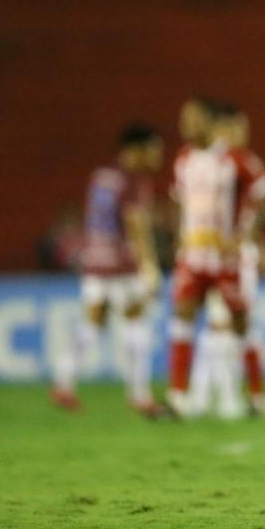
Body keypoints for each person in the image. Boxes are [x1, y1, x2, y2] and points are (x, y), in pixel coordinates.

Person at [165, 97, 265, 417]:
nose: (185, 125)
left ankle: (258, 397)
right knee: (182, 317)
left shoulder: (233, 159)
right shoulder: (183, 159)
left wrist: (246, 236)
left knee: (241, 326)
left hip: (226, 260)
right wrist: (178, 237)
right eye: (183, 119)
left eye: (192, 118)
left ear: (209, 122)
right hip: (193, 256)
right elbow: (176, 201)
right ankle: (177, 397)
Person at [51, 123, 163, 416]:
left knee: (92, 322)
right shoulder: (133, 180)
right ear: (135, 150)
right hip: (122, 264)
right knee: (137, 322)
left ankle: (63, 381)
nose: (156, 156)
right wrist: (149, 265)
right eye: (153, 150)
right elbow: (135, 221)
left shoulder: (102, 177)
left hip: (95, 261)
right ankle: (139, 394)